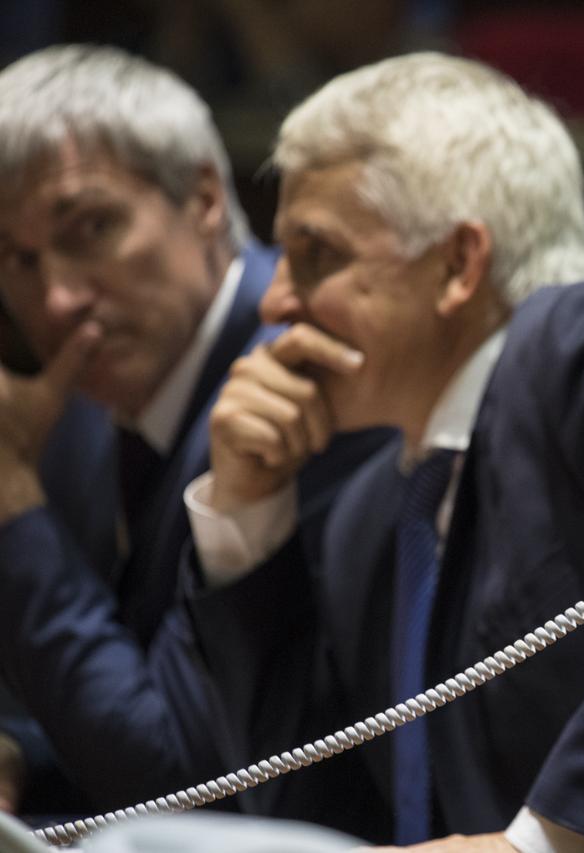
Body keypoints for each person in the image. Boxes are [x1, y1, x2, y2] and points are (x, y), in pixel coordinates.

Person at [182, 52, 584, 851]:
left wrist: (549, 836)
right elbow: (322, 820)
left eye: (316, 253)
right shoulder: (368, 516)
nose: (275, 298)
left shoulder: (575, 343)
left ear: (458, 264)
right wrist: (246, 521)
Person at [0, 44, 379, 818]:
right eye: (16, 258)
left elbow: (175, 778)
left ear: (205, 198)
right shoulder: (81, 405)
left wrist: (9, 498)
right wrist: (18, 748)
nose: (59, 297)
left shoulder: (303, 373)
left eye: (90, 227)